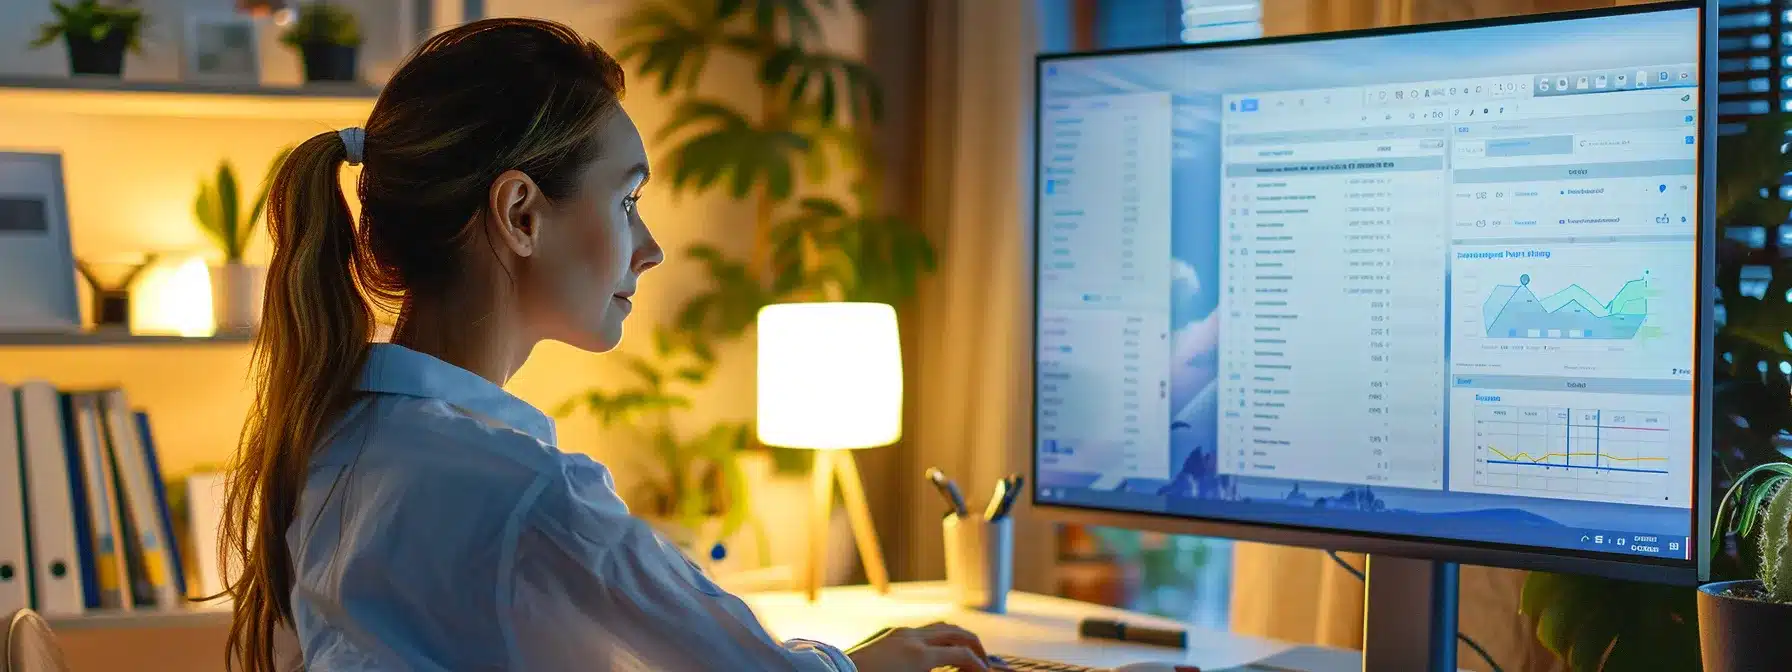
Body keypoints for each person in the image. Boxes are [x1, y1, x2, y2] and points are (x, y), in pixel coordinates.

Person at [218, 17, 998, 672]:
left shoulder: (329, 444)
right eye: (627, 200)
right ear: (521, 214)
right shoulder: (530, 495)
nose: (649, 247)